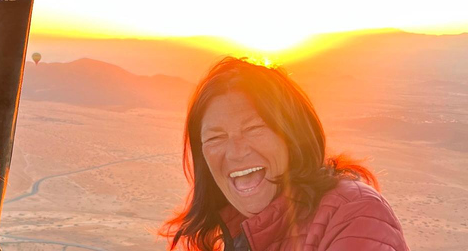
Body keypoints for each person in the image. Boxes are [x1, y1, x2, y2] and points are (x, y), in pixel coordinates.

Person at [161, 57, 409, 251]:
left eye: (253, 128)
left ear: (292, 136)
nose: (236, 152)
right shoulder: (238, 227)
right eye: (216, 137)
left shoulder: (352, 213)